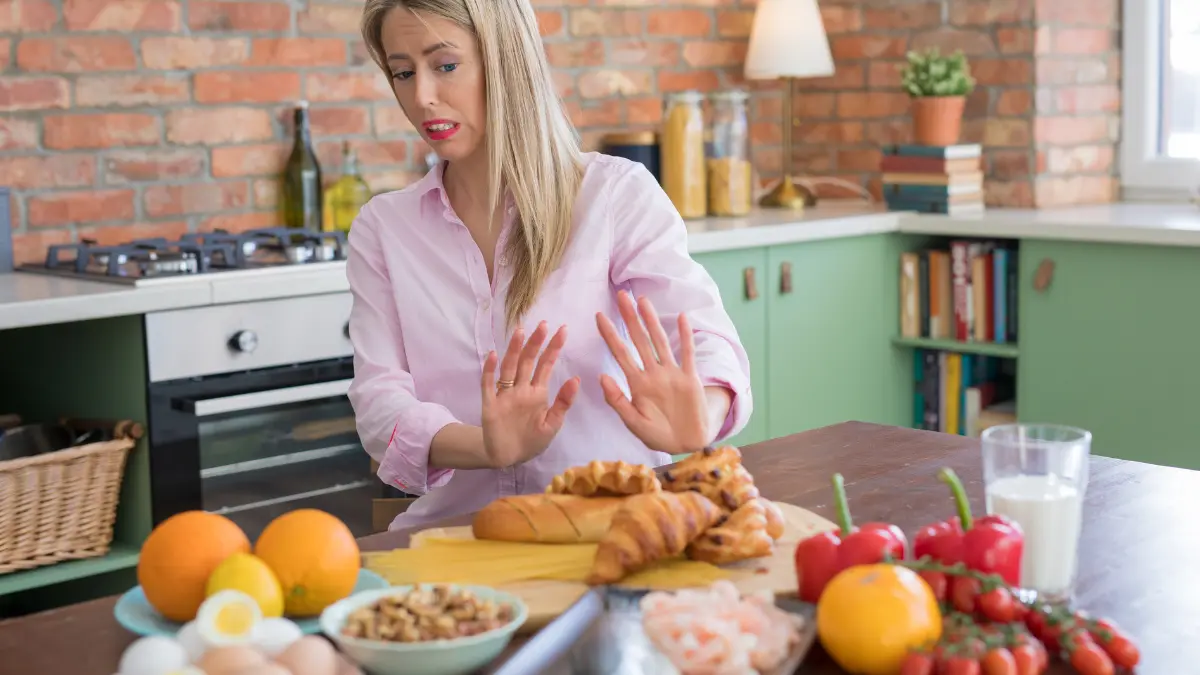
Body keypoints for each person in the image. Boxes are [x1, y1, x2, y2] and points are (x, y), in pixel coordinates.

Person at [350, 0, 753, 531]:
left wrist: (700, 409)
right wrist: (487, 447)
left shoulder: (613, 196)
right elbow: (379, 403)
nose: (421, 96)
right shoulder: (384, 227)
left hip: (614, 533)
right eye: (403, 73)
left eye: (445, 65)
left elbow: (704, 338)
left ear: (507, 59)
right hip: (458, 541)